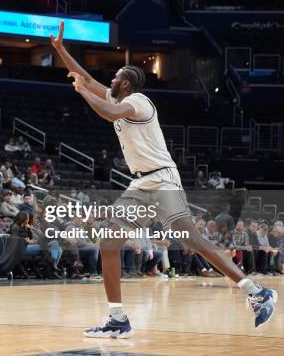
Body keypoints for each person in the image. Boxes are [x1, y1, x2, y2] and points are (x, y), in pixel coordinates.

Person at [50, 20, 276, 337]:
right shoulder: (118, 98)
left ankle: (257, 291)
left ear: (126, 84)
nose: (110, 79)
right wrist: (61, 50)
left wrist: (83, 92)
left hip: (162, 179)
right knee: (109, 241)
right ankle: (117, 318)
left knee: (191, 239)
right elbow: (85, 78)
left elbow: (106, 110)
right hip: (141, 184)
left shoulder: (138, 102)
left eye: (116, 77)